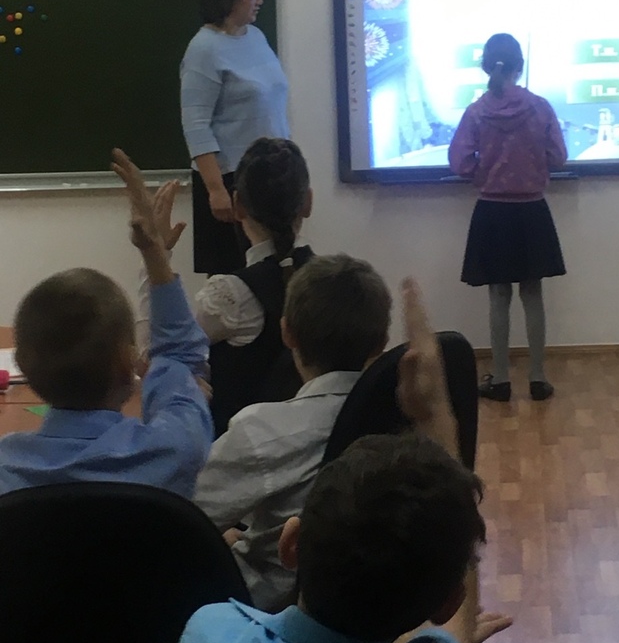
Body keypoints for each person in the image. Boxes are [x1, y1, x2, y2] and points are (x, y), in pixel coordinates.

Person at [150, 278, 513, 643]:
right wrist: (439, 419)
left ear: (291, 543)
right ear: (446, 599)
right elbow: (457, 623)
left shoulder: (209, 642)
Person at [0, 151, 213, 499]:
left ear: (21, 364)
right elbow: (181, 357)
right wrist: (155, 254)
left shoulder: (6, 468)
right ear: (129, 360)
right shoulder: (174, 448)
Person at [193, 254, 392, 610]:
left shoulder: (262, 431)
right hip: (369, 602)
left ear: (287, 332)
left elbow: (183, 514)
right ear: (382, 342)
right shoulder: (400, 420)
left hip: (264, 608)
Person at [136, 137, 314, 438]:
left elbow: (155, 357)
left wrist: (154, 257)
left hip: (235, 452)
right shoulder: (330, 280)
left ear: (237, 205)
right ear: (308, 202)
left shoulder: (230, 295)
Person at [448, 32, 567, 402]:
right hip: (532, 211)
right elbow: (559, 157)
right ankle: (537, 378)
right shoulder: (540, 107)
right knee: (532, 292)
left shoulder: (476, 111)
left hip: (493, 213)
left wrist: (485, 170)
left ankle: (500, 379)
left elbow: (459, 162)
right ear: (520, 66)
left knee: (499, 295)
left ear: (486, 66)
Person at [181, 0, 289, 275]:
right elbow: (195, 125)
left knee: (275, 277)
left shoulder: (256, 37)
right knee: (235, 283)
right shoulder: (203, 49)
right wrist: (216, 190)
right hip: (231, 183)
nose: (260, 0)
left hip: (270, 175)